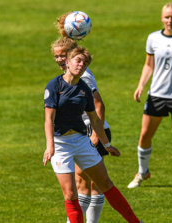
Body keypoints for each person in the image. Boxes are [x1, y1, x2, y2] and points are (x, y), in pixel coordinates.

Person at [44, 46, 142, 223]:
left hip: (81, 141)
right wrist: (50, 146)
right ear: (67, 62)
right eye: (78, 60)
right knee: (70, 193)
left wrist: (106, 144)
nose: (81, 65)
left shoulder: (85, 89)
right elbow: (48, 119)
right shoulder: (54, 86)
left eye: (85, 62)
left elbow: (95, 119)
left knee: (105, 184)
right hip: (61, 144)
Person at [127, 2, 172, 191]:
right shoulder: (152, 39)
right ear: (161, 18)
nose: (170, 20)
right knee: (144, 135)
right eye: (167, 17)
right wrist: (140, 85)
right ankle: (142, 172)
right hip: (156, 95)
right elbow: (148, 65)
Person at [54, 13, 112, 223]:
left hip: (91, 130)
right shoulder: (71, 72)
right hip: (82, 131)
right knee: (84, 183)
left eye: (63, 56)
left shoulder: (83, 75)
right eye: (57, 57)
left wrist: (97, 136)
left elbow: (99, 104)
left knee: (91, 183)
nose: (60, 60)